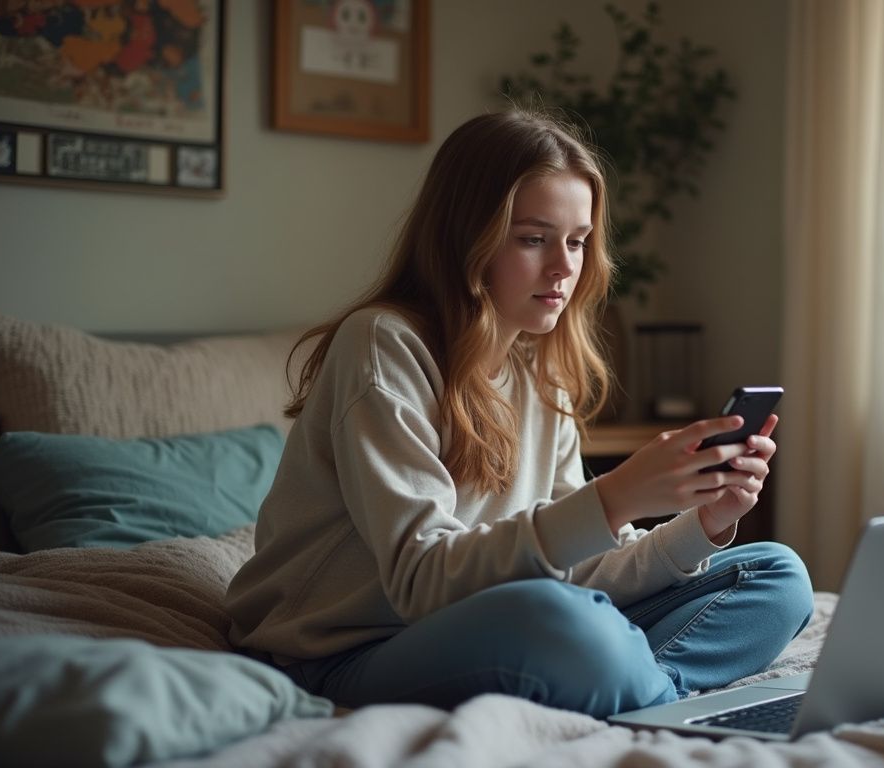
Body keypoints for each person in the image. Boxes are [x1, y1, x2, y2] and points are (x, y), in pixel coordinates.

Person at [225, 108, 814, 718]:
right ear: (466, 237)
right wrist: (614, 499)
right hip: (344, 650)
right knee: (564, 622)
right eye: (533, 239)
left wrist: (705, 523)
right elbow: (421, 579)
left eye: (578, 242)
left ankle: (636, 685)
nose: (564, 267)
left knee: (775, 575)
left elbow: (572, 564)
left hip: (506, 617)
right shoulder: (383, 343)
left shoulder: (540, 369)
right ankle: (632, 682)